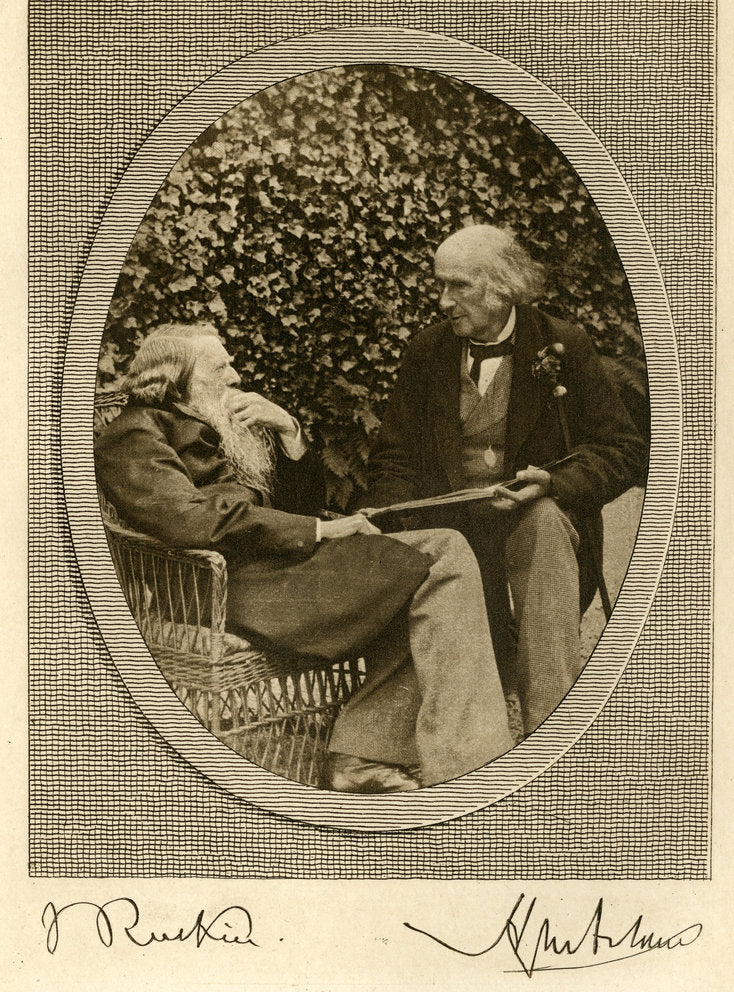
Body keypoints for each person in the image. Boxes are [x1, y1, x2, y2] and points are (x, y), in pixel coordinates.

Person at [95, 322, 513, 793]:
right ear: (175, 380)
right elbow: (189, 520)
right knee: (434, 563)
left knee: (442, 550)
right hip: (216, 588)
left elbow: (301, 503)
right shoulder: (133, 434)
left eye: (231, 363)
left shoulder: (221, 423)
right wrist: (319, 530)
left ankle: (368, 759)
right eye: (220, 368)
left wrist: (288, 430)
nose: (235, 376)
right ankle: (460, 766)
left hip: (277, 572)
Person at [361, 224, 647, 736]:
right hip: (452, 524)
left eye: (458, 286)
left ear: (502, 284)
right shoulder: (428, 352)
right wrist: (387, 512)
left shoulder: (563, 345)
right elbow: (395, 456)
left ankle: (553, 728)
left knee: (543, 520)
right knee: (401, 548)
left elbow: (621, 448)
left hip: (535, 527)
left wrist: (555, 482)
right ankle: (405, 741)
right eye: (440, 285)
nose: (443, 300)